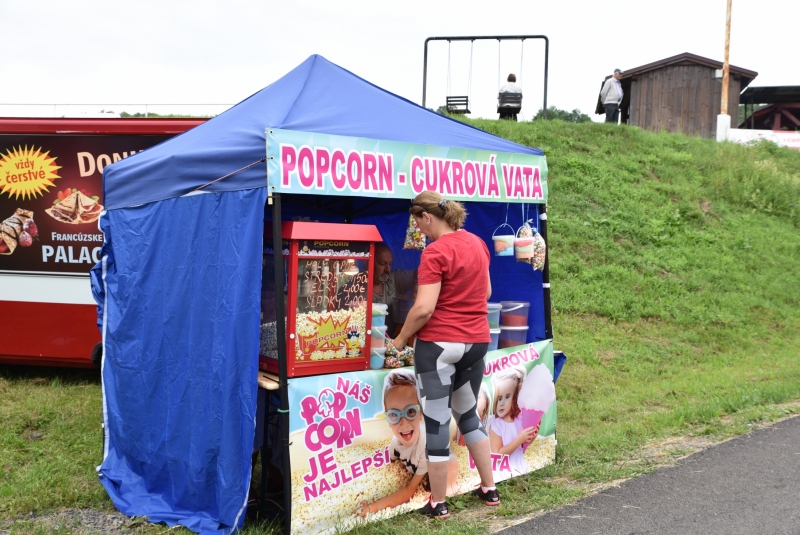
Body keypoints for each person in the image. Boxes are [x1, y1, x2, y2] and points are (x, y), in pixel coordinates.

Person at [391, 190, 499, 518]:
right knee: (468, 415)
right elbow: (488, 292)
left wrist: (401, 338)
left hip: (439, 346)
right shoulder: (477, 243)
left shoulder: (435, 252)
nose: (419, 230)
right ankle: (489, 488)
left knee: (437, 423)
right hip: (476, 342)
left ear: (427, 217)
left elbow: (423, 309)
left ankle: (438, 503)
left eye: (418, 223)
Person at [355, 369, 458, 517]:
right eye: (394, 415)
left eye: (410, 412)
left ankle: (444, 494)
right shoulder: (395, 445)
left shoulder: (425, 446)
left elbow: (410, 491)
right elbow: (386, 466)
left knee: (449, 461)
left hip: (438, 471)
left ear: (421, 413)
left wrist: (373, 507)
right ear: (388, 421)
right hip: (420, 471)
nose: (403, 422)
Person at [488, 368, 539, 478]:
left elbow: (522, 447)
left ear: (516, 396)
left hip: (519, 468)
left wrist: (532, 435)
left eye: (507, 397)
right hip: (502, 472)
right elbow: (497, 456)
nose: (501, 403)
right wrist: (519, 439)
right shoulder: (497, 425)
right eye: (499, 398)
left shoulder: (520, 419)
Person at [372, 242, 416, 336]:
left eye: (390, 264)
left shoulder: (394, 279)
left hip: (393, 340)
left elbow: (422, 273)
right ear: (368, 262)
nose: (388, 269)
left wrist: (416, 290)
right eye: (382, 263)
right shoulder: (357, 286)